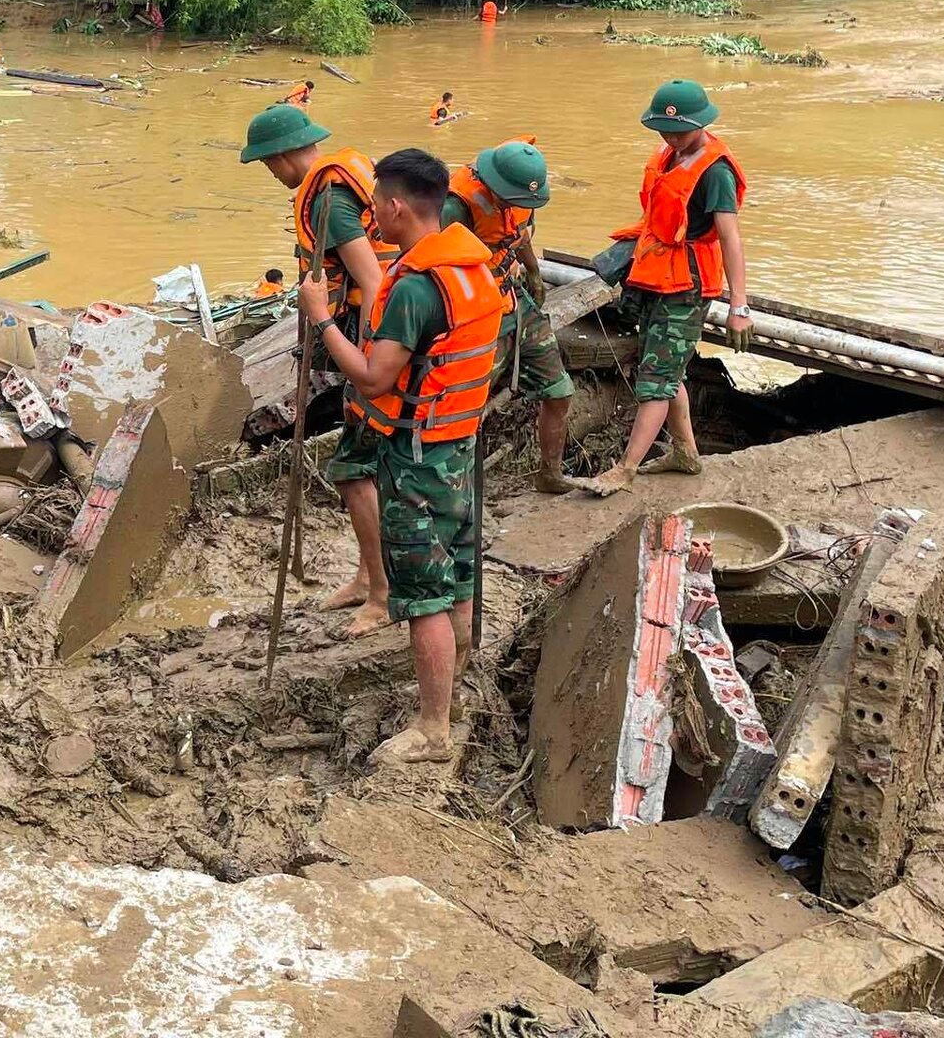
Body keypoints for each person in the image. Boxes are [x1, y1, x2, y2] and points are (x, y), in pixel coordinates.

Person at [299, 149, 505, 764]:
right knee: (460, 580)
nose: (371, 223)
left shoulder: (416, 287)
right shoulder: (472, 268)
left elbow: (371, 377)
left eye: (375, 210)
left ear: (394, 206)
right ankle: (456, 697)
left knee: (423, 596)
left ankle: (433, 727)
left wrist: (322, 320)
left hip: (417, 458)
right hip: (459, 446)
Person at [240, 104, 398, 637]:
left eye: (268, 164)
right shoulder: (335, 184)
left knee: (356, 471)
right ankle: (364, 575)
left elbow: (374, 282)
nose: (272, 175)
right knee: (361, 468)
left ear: (284, 155)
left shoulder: (331, 201)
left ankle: (381, 594)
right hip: (351, 333)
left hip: (364, 339)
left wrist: (368, 359)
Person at [578, 80, 751, 497]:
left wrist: (739, 305)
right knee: (665, 370)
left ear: (700, 123)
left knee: (656, 377)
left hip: (687, 287)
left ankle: (626, 468)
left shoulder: (716, 172)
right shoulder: (669, 154)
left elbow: (730, 237)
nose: (670, 137)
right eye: (664, 130)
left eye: (679, 131)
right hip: (657, 273)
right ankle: (686, 453)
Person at [443, 138, 576, 493]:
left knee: (559, 390)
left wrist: (533, 271)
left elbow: (517, 234)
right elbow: (438, 267)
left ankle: (550, 473)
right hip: (476, 314)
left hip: (514, 301)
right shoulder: (456, 206)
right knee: (467, 405)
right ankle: (456, 491)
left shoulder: (519, 202)